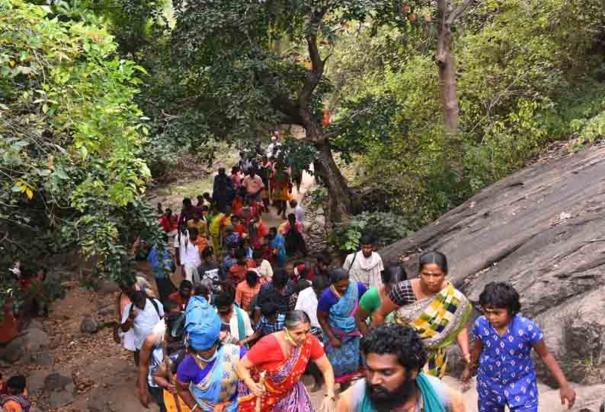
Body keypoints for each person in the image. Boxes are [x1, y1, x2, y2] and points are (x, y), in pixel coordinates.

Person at [462, 282, 576, 412]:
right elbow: (478, 348)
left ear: (511, 310)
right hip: (489, 384)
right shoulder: (481, 324)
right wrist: (469, 368)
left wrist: (564, 385)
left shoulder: (527, 329)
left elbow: (545, 355)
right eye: (487, 312)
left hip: (521, 385)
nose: (491, 317)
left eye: (497, 313)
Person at [373, 251, 471, 378]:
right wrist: (380, 348)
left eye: (436, 275)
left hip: (432, 359)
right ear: (419, 273)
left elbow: (460, 325)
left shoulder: (454, 299)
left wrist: (466, 353)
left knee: (427, 393)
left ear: (445, 274)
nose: (431, 280)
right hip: (400, 352)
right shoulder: (403, 290)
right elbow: (380, 315)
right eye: (426, 274)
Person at [337, 324, 466, 412]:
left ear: (412, 372)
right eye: (370, 370)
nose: (374, 380)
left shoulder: (447, 400)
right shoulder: (351, 402)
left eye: (386, 373)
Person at [237, 311, 336, 412]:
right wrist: (250, 384)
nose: (304, 337)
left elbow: (326, 368)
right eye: (298, 333)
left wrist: (330, 394)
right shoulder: (268, 344)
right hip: (261, 395)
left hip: (290, 393)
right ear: (285, 330)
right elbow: (241, 366)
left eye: (307, 331)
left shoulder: (310, 341)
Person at [176, 296, 245, 411]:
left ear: (217, 341)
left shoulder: (234, 353)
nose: (206, 353)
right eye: (200, 350)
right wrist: (196, 409)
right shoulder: (186, 366)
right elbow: (182, 389)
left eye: (209, 348)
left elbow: (253, 373)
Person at [317, 268, 367, 388]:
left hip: (354, 334)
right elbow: (322, 318)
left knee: (356, 362)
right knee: (339, 367)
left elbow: (366, 304)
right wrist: (332, 338)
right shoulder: (326, 296)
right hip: (335, 335)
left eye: (346, 285)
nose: (344, 289)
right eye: (340, 287)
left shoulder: (358, 288)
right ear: (332, 283)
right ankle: (344, 388)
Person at [137, 301, 186, 411]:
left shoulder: (185, 325)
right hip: (158, 384)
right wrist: (142, 389)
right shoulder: (153, 338)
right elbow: (143, 364)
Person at [356, 264, 407, 336]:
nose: (396, 292)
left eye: (400, 288)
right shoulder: (372, 295)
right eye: (391, 289)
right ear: (384, 282)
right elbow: (360, 320)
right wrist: (369, 340)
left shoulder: (409, 294)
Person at [121, 291, 165, 366]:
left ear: (145, 297)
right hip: (141, 345)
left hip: (158, 343)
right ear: (132, 301)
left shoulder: (154, 303)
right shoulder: (129, 309)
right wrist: (130, 319)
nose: (140, 304)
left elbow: (163, 318)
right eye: (137, 303)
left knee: (160, 366)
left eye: (141, 301)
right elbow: (124, 329)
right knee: (144, 367)